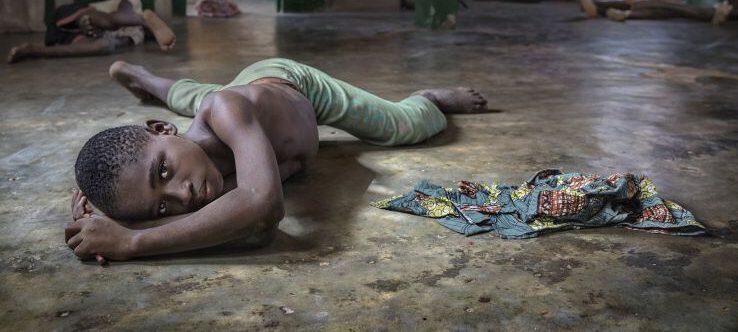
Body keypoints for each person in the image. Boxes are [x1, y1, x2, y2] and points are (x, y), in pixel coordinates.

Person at [65, 58, 488, 262]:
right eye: (162, 205)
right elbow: (230, 209)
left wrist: (134, 240)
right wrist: (121, 222)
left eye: (163, 171)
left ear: (162, 130)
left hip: (294, 85)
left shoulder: (226, 110)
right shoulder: (192, 173)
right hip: (245, 107)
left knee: (401, 128)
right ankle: (149, 83)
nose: (183, 195)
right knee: (196, 97)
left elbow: (262, 208)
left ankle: (428, 98)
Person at [8, 0, 176, 63]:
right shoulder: (131, 1)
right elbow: (110, 16)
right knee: (105, 21)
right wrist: (85, 23)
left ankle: (33, 50)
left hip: (66, 38)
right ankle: (143, 19)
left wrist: (97, 35)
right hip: (76, 16)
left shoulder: (137, 37)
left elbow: (119, 42)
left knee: (106, 45)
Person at [577, 0, 735, 25]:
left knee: (666, 7)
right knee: (662, 7)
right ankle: (599, 7)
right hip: (700, 0)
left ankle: (599, 8)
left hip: (711, 1)